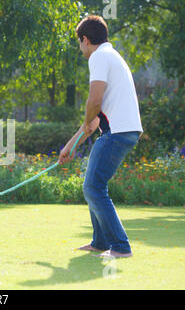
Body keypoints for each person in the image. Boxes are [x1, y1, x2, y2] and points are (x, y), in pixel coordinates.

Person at [58, 16, 143, 258]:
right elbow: (94, 121)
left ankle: (120, 246)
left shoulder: (99, 57)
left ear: (85, 40)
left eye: (79, 43)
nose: (80, 48)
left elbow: (93, 103)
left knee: (93, 187)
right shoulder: (110, 56)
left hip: (117, 132)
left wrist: (83, 126)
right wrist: (71, 146)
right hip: (123, 130)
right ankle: (100, 242)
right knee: (95, 185)